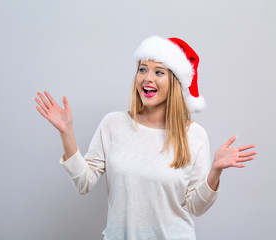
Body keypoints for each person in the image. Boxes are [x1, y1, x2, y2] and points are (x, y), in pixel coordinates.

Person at [34, 36, 257, 240]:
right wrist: (66, 132)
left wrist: (215, 172)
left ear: (175, 82)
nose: (147, 79)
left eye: (159, 72)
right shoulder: (113, 124)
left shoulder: (195, 135)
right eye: (142, 69)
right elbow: (84, 182)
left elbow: (196, 207)